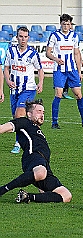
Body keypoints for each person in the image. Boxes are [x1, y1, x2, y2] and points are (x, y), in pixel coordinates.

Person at [0, 99, 72, 203]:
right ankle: (3, 189)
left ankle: (27, 197)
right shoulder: (24, 122)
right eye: (38, 111)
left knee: (66, 195)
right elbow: (2, 128)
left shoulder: (38, 131)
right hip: (32, 157)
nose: (42, 115)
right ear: (29, 114)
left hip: (43, 164)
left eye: (43, 112)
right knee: (41, 173)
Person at [46, 13, 83, 129]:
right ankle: (54, 123)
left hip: (72, 70)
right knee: (59, 94)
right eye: (64, 24)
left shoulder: (74, 36)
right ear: (60, 24)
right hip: (59, 70)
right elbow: (48, 52)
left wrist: (79, 72)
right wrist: (56, 59)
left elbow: (76, 53)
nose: (66, 26)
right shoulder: (54, 36)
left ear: (71, 25)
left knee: (78, 94)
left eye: (68, 24)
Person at [4, 26, 44, 154]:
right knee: (17, 117)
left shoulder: (33, 53)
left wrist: (41, 82)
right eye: (21, 36)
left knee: (19, 113)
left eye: (25, 37)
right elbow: (6, 68)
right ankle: (25, 139)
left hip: (28, 89)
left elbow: (40, 69)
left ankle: (18, 143)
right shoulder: (11, 51)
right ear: (17, 37)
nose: (23, 39)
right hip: (14, 90)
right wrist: (8, 81)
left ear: (28, 38)